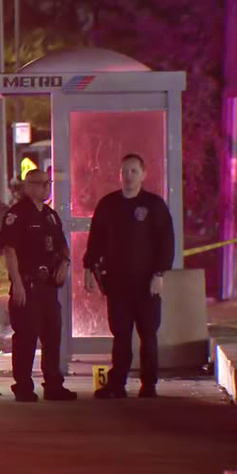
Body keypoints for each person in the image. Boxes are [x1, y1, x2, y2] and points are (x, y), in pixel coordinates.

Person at [83, 153, 176, 399]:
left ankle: (149, 385)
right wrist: (88, 268)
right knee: (121, 335)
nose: (129, 176)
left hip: (147, 284)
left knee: (148, 335)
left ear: (144, 175)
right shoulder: (108, 205)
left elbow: (166, 243)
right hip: (118, 284)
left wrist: (159, 274)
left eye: (134, 171)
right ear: (119, 175)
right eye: (125, 171)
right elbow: (96, 240)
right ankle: (117, 384)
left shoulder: (154, 205)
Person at [0, 169, 77, 402]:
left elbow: (62, 246)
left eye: (48, 183)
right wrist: (17, 284)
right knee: (26, 338)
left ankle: (53, 385)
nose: (47, 187)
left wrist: (65, 263)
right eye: (42, 184)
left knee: (52, 336)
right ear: (29, 186)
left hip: (49, 288)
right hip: (27, 286)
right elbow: (10, 250)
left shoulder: (50, 215)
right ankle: (23, 387)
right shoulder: (17, 214)